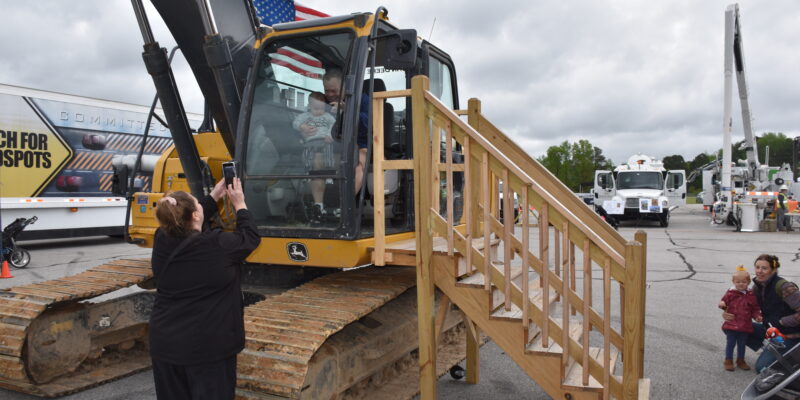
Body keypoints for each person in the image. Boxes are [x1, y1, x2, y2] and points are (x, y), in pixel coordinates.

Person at [149, 177, 259, 399]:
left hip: (166, 345)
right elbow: (250, 237)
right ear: (196, 216)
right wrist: (239, 204)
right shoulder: (218, 244)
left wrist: (214, 196)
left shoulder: (161, 239)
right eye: (198, 204)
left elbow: (185, 220)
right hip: (208, 349)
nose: (201, 205)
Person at [735, 254, 800, 373]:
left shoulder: (785, 287)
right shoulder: (757, 287)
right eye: (757, 267)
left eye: (764, 268)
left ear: (773, 270)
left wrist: (782, 322)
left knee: (761, 368)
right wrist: (730, 312)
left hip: (791, 336)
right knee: (734, 327)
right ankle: (771, 352)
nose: (759, 271)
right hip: (772, 332)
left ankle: (793, 357)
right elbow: (748, 308)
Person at [320, 68, 370, 194]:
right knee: (316, 162)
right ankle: (318, 202)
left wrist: (348, 109)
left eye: (334, 90)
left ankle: (344, 203)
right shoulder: (323, 104)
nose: (330, 94)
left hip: (360, 145)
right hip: (332, 146)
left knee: (358, 164)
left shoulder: (363, 100)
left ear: (345, 87)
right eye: (327, 91)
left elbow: (369, 124)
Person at [293, 92, 336, 220]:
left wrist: (330, 135)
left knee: (328, 156)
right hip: (310, 141)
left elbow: (333, 126)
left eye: (321, 108)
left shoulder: (327, 116)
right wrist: (302, 127)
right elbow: (295, 123)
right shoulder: (304, 116)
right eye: (316, 108)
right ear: (309, 106)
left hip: (325, 141)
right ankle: (308, 172)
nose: (319, 111)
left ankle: (329, 174)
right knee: (308, 156)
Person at [718, 266, 762, 371]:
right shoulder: (730, 293)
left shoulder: (751, 295)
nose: (741, 284)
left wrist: (757, 316)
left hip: (745, 325)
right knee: (730, 343)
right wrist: (722, 304)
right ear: (733, 282)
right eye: (738, 282)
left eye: (743, 282)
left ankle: (740, 360)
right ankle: (728, 360)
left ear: (748, 282)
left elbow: (754, 308)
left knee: (742, 344)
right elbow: (723, 302)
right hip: (732, 324)